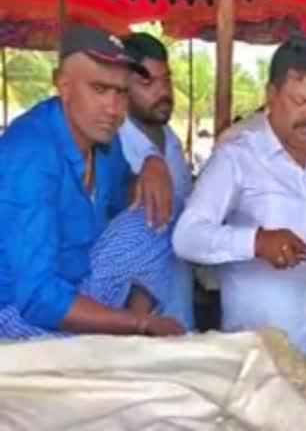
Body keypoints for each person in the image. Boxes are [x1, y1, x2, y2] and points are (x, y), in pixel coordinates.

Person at [172, 37, 306, 357]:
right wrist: (256, 242)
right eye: (299, 101)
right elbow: (187, 238)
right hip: (257, 358)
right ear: (271, 95)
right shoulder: (237, 158)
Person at [0, 24, 182, 339]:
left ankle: (122, 341)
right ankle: (124, 336)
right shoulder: (30, 154)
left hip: (81, 285)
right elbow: (38, 298)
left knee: (157, 212)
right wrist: (139, 325)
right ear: (63, 85)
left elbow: (128, 196)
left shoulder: (104, 145)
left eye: (121, 92)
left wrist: (153, 166)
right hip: (18, 313)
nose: (113, 109)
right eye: (99, 89)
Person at [119, 32, 195, 331]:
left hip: (178, 306)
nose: (163, 91)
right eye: (147, 82)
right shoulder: (113, 145)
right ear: (122, 86)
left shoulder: (173, 142)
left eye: (166, 80)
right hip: (131, 319)